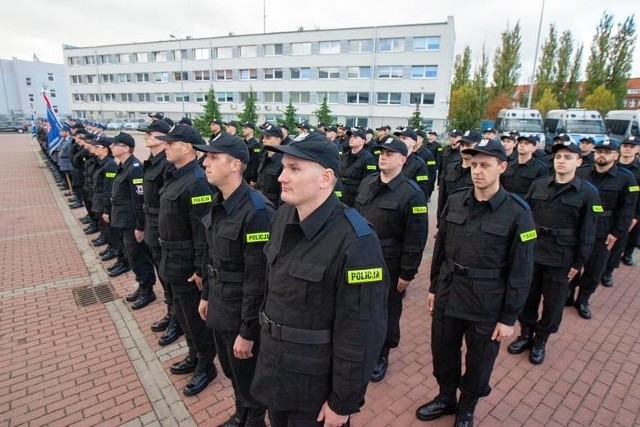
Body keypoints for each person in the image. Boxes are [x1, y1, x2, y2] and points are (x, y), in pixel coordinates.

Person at [251, 132, 388, 427]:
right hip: (276, 366)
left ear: (325, 178)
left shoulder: (357, 241)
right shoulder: (282, 217)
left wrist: (343, 401)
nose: (281, 177)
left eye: (295, 169)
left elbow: (362, 332)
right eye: (284, 167)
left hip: (314, 384)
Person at [416, 138, 535, 426]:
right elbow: (441, 248)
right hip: (449, 290)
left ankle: (467, 406)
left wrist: (509, 317)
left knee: (480, 361)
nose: (477, 170)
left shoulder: (519, 213)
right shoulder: (457, 199)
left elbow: (522, 269)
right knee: (443, 351)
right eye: (473, 164)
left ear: (502, 167)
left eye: (485, 165)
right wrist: (433, 287)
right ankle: (446, 397)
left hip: (487, 300)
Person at [196, 135, 275, 427]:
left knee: (249, 375)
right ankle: (241, 413)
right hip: (220, 302)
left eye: (213, 157)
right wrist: (205, 294)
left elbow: (259, 279)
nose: (205, 162)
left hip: (241, 311)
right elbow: (212, 255)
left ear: (235, 165)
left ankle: (253, 419)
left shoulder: (257, 212)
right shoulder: (220, 201)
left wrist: (248, 331)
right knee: (231, 370)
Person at [507, 141, 600, 365]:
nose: (561, 161)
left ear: (579, 162)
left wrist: (578, 263)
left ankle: (541, 340)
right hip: (533, 254)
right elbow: (525, 221)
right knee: (527, 298)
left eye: (568, 157)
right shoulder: (539, 185)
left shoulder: (588, 193)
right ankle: (526, 334)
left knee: (553, 304)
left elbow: (588, 232)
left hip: (562, 259)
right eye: (558, 157)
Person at [355, 137, 428, 383]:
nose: (383, 156)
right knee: (359, 305)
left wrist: (407, 273)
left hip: (390, 262)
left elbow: (416, 238)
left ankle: (382, 354)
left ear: (403, 160)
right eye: (381, 152)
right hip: (362, 258)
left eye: (389, 153)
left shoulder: (412, 194)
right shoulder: (367, 184)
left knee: (386, 311)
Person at [156, 124, 218, 396]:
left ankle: (206, 363)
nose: (165, 147)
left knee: (195, 318)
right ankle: (194, 354)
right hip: (172, 257)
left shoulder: (197, 181)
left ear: (189, 147)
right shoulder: (176, 175)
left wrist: (199, 269)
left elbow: (202, 231)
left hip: (187, 264)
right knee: (182, 313)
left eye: (171, 143)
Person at [570, 139, 638, 319]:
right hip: (578, 226)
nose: (602, 155)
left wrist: (617, 233)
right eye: (599, 151)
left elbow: (627, 209)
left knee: (594, 268)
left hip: (603, 229)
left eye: (607, 152)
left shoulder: (626, 178)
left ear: (616, 155)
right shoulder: (582, 172)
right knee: (572, 263)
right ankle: (568, 295)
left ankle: (583, 299)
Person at [139, 119, 184, 345]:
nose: (146, 137)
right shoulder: (154, 161)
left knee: (169, 278)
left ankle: (177, 319)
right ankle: (171, 312)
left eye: (150, 133)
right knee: (162, 275)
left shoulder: (167, 165)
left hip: (163, 226)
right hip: (152, 223)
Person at [106, 132, 157, 309]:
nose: (111, 147)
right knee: (131, 256)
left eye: (115, 144)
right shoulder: (123, 166)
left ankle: (147, 289)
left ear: (126, 148)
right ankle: (142, 285)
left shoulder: (134, 168)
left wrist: (140, 226)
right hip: (123, 221)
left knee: (138, 256)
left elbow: (138, 200)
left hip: (131, 223)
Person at [437, 131, 482, 223]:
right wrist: (440, 221)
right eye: (462, 145)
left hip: (470, 223)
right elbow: (442, 198)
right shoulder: (450, 168)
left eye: (468, 145)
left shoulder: (481, 173)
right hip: (449, 219)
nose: (464, 149)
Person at [339, 128, 377, 206]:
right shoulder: (345, 156)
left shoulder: (368, 158)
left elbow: (368, 182)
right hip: (342, 197)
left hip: (354, 199)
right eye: (351, 137)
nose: (351, 139)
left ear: (363, 141)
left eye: (355, 137)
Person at [618, 136, 640, 266]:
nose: (627, 149)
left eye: (631, 146)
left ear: (637, 149)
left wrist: (637, 216)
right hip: (615, 206)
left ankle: (628, 254)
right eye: (625, 146)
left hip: (634, 208)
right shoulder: (613, 166)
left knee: (633, 234)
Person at [255, 124, 284, 207]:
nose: (263, 140)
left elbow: (282, 192)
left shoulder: (283, 161)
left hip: (273, 207)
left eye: (268, 138)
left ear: (278, 140)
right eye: (263, 137)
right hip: (260, 203)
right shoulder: (263, 158)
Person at [242, 122, 261, 187]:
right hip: (242, 174)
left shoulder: (255, 144)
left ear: (252, 130)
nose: (243, 130)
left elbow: (255, 163)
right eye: (243, 128)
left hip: (249, 176)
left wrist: (253, 179)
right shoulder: (243, 142)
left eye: (246, 128)